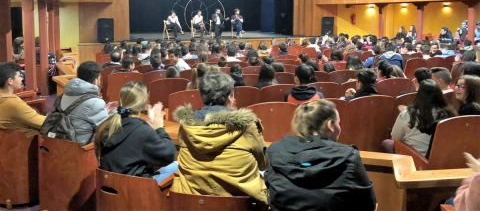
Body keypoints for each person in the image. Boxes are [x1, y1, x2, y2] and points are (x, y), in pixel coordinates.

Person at [172, 72, 269, 204]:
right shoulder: (248, 126)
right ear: (230, 97)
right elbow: (263, 164)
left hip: (193, 203)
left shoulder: (186, 126)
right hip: (239, 204)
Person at [265, 99, 377, 211]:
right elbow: (369, 205)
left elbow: (271, 196)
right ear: (330, 125)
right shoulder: (349, 157)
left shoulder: (275, 151)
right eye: (338, 122)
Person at [95, 81, 177, 183]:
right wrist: (159, 129)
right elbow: (169, 155)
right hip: (137, 191)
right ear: (144, 101)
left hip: (110, 189)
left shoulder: (106, 125)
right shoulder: (142, 132)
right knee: (177, 166)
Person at [382, 79, 457, 156]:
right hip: (439, 157)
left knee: (386, 143)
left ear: (419, 95)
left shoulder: (408, 114)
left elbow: (395, 137)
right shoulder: (449, 113)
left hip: (414, 157)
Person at [59, 61, 117, 146]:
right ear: (95, 81)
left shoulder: (65, 93)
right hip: (83, 147)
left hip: (62, 141)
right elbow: (106, 130)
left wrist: (104, 110)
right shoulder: (95, 102)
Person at [0, 62, 46, 135]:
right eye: (19, 76)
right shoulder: (14, 105)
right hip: (30, 142)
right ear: (10, 81)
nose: (22, 78)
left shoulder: (7, 99)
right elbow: (45, 123)